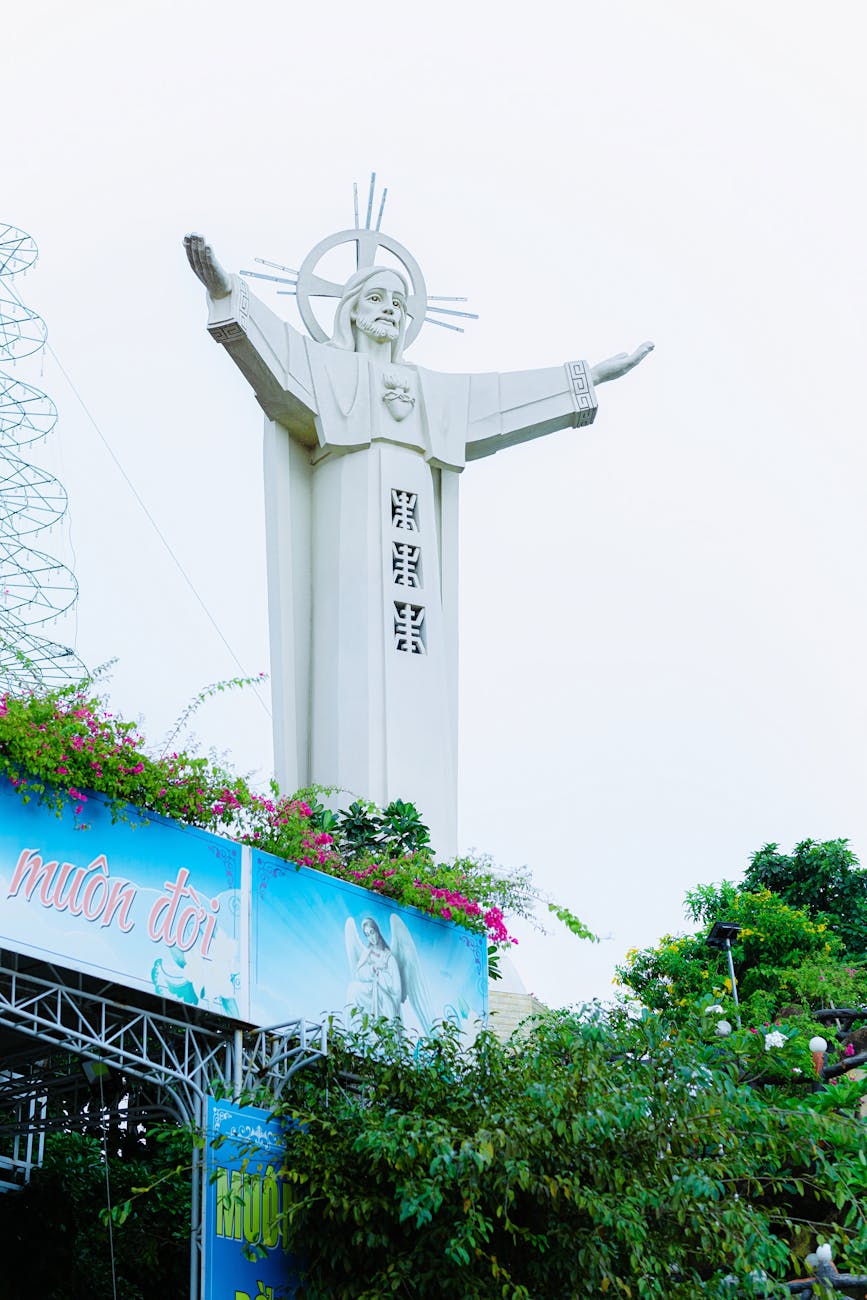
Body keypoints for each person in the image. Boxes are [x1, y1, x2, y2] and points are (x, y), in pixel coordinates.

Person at [184, 232, 653, 856]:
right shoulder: (326, 371)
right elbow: (274, 351)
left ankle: (423, 866)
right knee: (350, 680)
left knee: (413, 680)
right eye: (377, 298)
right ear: (350, 308)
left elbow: (504, 398)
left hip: (413, 556)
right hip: (346, 537)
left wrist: (586, 378)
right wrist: (226, 290)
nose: (389, 311)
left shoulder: (435, 393)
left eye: (399, 303)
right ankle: (345, 847)